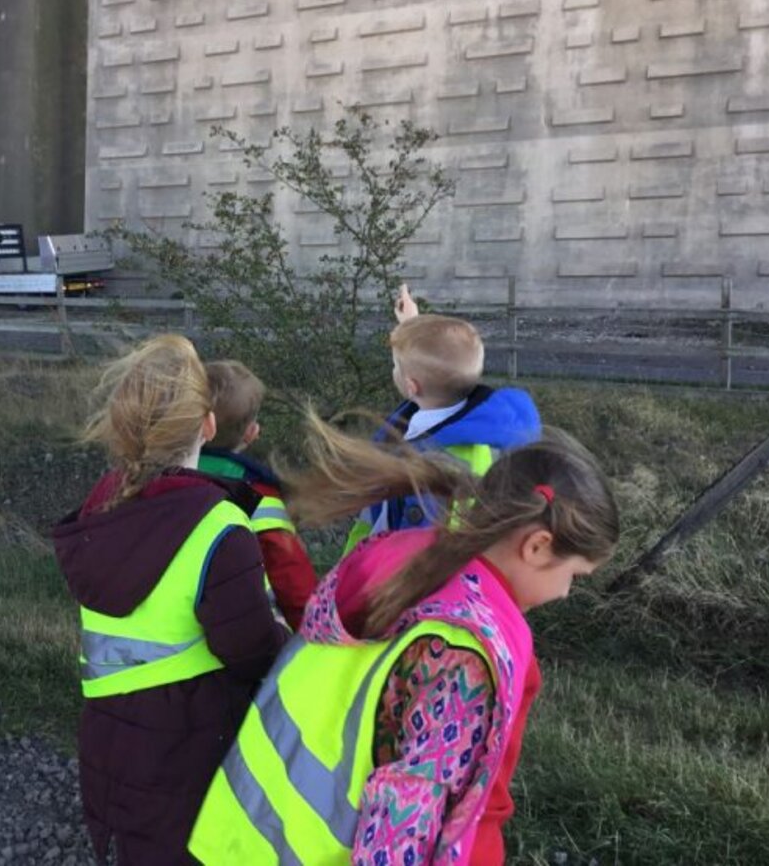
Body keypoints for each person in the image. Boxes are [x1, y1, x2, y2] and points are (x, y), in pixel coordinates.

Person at [188, 415, 620, 865]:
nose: (566, 593)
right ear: (537, 546)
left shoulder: (400, 560)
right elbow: (404, 815)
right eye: (575, 575)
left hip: (244, 835)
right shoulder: (464, 653)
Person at [53, 334, 290, 864]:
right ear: (208, 425)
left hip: (109, 727)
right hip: (188, 736)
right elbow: (251, 651)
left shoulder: (102, 504)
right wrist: (287, 638)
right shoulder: (218, 525)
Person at [343, 284, 542, 555]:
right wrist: (410, 324)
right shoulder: (486, 426)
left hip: (400, 574)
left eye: (395, 366)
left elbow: (415, 554)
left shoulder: (433, 462)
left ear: (412, 386)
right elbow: (438, 361)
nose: (394, 369)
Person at [196, 359, 319, 631]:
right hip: (244, 632)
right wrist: (315, 630)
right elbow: (290, 575)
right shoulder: (261, 497)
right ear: (251, 433)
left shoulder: (161, 479)